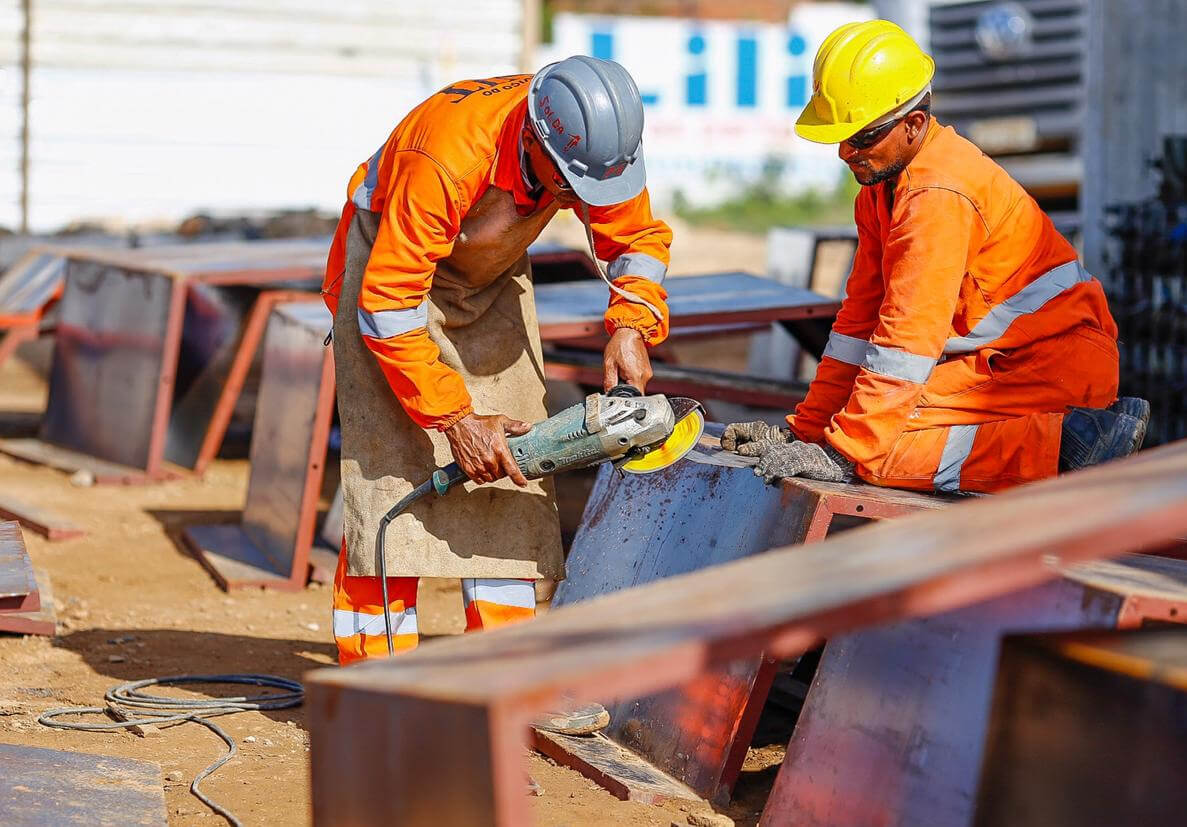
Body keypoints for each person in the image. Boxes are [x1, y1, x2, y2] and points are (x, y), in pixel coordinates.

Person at [320, 53, 672, 701]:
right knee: (390, 476)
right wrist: (454, 418)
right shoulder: (448, 157)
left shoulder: (595, 146)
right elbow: (388, 303)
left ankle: (505, 686)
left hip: (484, 276)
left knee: (519, 469)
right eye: (566, 187)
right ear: (532, 140)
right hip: (389, 280)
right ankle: (371, 688)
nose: (573, 201)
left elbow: (636, 239)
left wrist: (630, 321)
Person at [724, 20, 1147, 493]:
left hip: (1050, 367)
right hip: (1014, 359)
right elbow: (859, 321)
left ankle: (1075, 444)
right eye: (840, 137)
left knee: (880, 453)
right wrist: (806, 432)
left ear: (915, 125)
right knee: (864, 429)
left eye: (862, 137)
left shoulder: (937, 193)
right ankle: (1075, 438)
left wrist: (843, 453)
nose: (846, 152)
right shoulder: (881, 189)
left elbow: (907, 340)